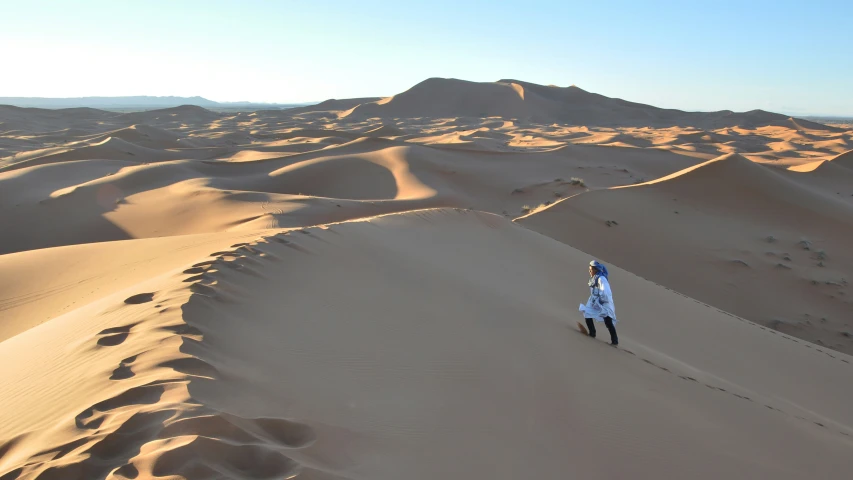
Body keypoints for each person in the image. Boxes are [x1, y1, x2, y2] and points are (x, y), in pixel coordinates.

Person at [580, 260, 619, 345]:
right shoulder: (593, 279)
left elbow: (606, 292)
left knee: (608, 321)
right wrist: (594, 300)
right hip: (595, 301)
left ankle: (615, 341)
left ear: (596, 270)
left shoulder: (601, 279)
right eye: (589, 269)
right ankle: (592, 332)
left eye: (591, 270)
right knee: (587, 312)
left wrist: (601, 300)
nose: (590, 271)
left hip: (605, 302)